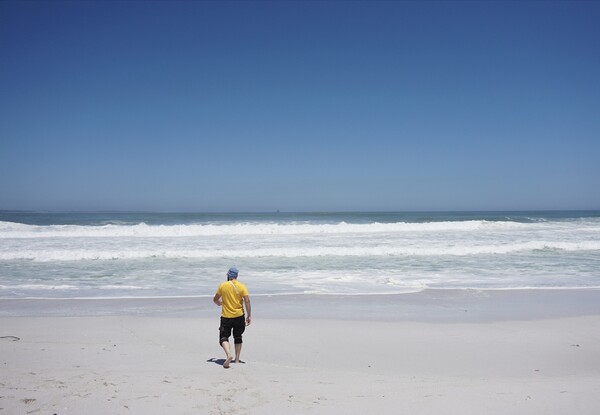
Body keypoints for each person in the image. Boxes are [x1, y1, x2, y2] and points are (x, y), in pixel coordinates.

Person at [213, 267, 251, 369]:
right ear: (236, 276)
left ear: (228, 276)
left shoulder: (223, 285)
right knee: (238, 337)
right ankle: (237, 360)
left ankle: (229, 354)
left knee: (223, 337)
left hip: (226, 316)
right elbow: (247, 301)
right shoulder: (242, 286)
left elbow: (215, 299)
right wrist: (249, 316)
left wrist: (219, 303)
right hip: (239, 316)